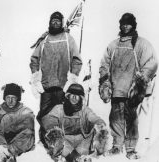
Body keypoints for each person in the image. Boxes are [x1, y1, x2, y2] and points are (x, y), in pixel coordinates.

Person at [99, 13, 158, 160]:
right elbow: (104, 64)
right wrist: (105, 82)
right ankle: (117, 147)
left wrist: (141, 80)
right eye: (123, 23)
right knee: (115, 119)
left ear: (133, 25)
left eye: (128, 23)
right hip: (116, 89)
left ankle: (131, 149)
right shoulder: (113, 45)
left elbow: (151, 63)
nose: (125, 26)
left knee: (131, 120)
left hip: (132, 91)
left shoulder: (142, 44)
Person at [30, 11, 82, 146]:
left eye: (58, 21)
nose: (55, 23)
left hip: (62, 87)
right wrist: (36, 79)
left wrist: (72, 78)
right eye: (53, 20)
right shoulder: (45, 40)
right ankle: (44, 140)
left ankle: (61, 142)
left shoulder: (67, 38)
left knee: (62, 115)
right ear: (49, 22)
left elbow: (76, 60)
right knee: (44, 114)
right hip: (46, 86)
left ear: (62, 23)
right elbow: (34, 59)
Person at [41, 84, 109, 162]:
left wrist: (101, 126)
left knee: (84, 151)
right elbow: (48, 119)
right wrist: (53, 129)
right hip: (64, 141)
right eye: (72, 94)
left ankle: (82, 157)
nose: (74, 97)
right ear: (68, 96)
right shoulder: (59, 108)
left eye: (77, 95)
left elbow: (95, 118)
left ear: (81, 98)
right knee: (62, 151)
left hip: (82, 142)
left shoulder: (85, 110)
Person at [0, 83, 35, 162]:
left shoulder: (25, 112)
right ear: (4, 98)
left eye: (13, 98)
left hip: (17, 142)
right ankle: (1, 152)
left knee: (28, 136)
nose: (10, 101)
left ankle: (7, 153)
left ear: (17, 98)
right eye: (8, 97)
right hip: (1, 141)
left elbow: (28, 132)